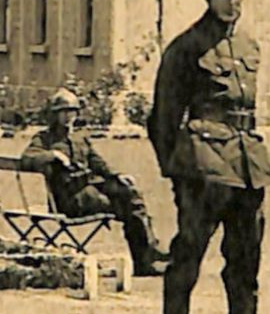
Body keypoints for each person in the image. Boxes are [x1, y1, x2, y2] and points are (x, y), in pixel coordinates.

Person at [148, 0, 270, 314]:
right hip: (201, 164)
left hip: (247, 162)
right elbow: (163, 117)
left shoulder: (250, 44)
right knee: (190, 249)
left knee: (247, 254)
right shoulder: (186, 48)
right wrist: (177, 169)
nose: (233, 3)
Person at [20, 87, 169, 276]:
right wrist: (53, 155)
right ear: (54, 115)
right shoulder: (44, 139)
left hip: (90, 187)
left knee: (130, 193)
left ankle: (148, 253)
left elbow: (97, 162)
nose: (68, 117)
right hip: (70, 199)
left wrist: (117, 175)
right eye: (63, 112)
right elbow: (26, 159)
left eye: (72, 111)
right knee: (127, 208)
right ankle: (145, 258)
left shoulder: (79, 137)